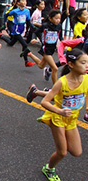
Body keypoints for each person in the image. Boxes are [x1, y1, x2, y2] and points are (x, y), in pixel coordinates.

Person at [38, 49, 88, 181]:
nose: (87, 66)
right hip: (58, 118)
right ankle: (48, 169)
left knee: (77, 152)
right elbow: (45, 102)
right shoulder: (62, 82)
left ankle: (35, 91)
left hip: (71, 120)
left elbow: (86, 93)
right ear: (71, 65)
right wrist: (59, 111)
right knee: (62, 152)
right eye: (83, 63)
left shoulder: (86, 79)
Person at [0, 0, 35, 67]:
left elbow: (28, 21)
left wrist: (32, 26)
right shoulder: (15, 11)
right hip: (16, 29)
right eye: (23, 1)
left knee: (11, 43)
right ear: (18, 3)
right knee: (24, 45)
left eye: (25, 1)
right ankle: (26, 61)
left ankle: (1, 36)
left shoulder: (27, 11)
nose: (24, 2)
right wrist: (4, 24)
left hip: (22, 29)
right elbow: (6, 15)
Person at [23, 10, 62, 85]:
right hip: (45, 49)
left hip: (52, 49)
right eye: (56, 18)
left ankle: (28, 53)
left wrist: (63, 43)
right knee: (55, 68)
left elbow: (60, 36)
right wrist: (34, 38)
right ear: (50, 18)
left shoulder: (59, 26)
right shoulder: (45, 26)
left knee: (41, 65)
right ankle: (56, 88)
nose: (58, 20)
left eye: (59, 18)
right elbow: (36, 32)